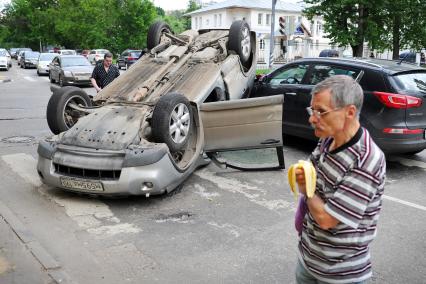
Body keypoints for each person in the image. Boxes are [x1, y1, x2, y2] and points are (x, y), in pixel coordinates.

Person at [294, 75, 386, 284]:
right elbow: (310, 178)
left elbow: (326, 219)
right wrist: (305, 183)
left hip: (341, 275)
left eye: (321, 112)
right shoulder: (328, 139)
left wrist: (306, 189)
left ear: (350, 112)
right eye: (312, 110)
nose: (312, 118)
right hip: (308, 260)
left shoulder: (366, 159)